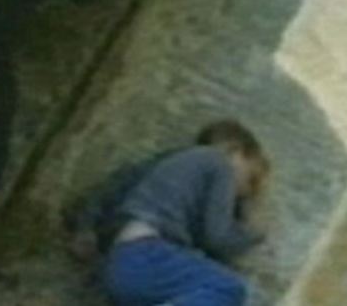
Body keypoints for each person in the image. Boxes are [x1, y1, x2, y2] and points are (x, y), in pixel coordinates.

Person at [64, 119, 270, 306]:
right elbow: (217, 237)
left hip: (120, 265)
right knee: (227, 288)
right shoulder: (219, 161)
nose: (244, 192)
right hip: (146, 254)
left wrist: (86, 227)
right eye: (251, 178)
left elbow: (115, 188)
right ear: (236, 151)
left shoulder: (169, 167)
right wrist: (255, 232)